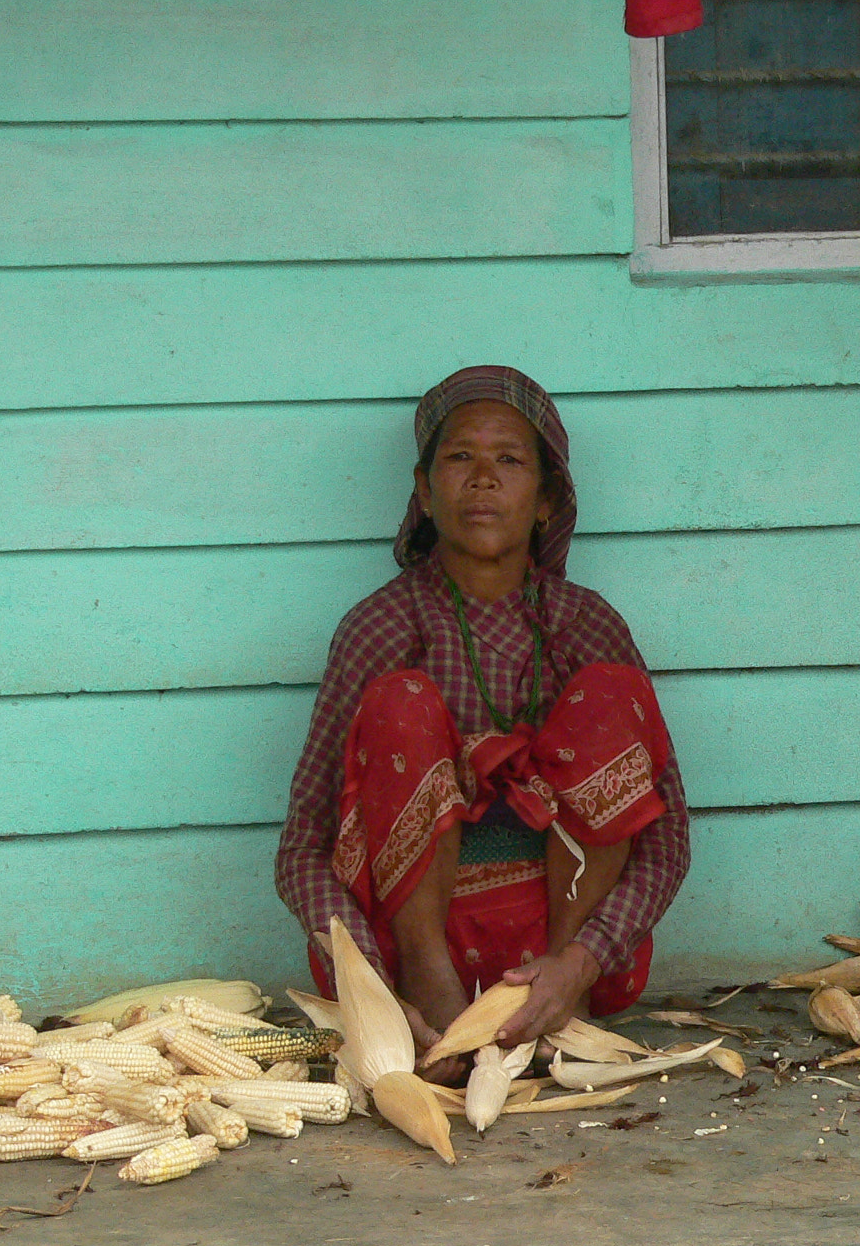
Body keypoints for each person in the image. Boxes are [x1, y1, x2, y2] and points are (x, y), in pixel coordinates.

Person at [275, 366, 689, 1075]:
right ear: (423, 491)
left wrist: (580, 962)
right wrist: (373, 988)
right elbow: (302, 851)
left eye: (510, 461)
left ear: (546, 499)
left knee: (609, 695)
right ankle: (436, 1008)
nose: (483, 479)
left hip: (561, 948)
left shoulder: (585, 626)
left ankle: (555, 1009)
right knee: (402, 704)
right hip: (408, 953)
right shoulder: (381, 628)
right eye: (460, 458)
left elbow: (668, 842)